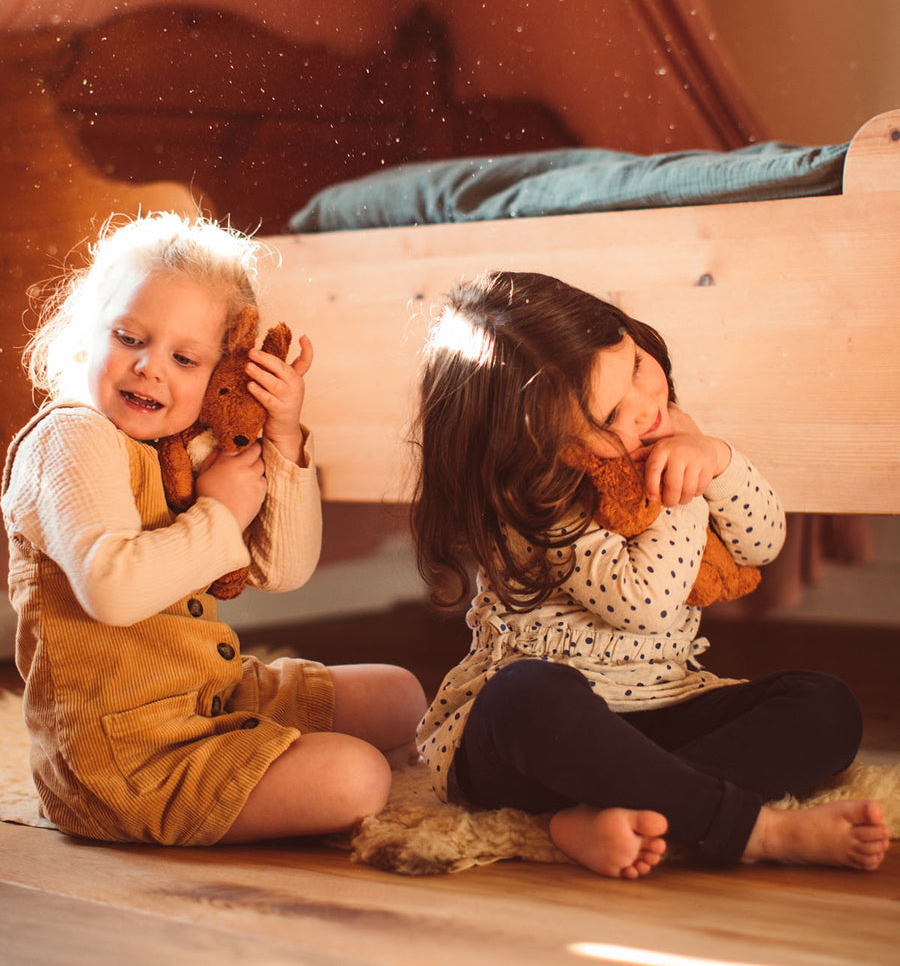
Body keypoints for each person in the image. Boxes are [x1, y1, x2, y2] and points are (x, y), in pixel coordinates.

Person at [412, 270, 890, 879]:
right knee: (526, 696)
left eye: (637, 364)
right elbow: (646, 601)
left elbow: (763, 543)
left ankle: (605, 811)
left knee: (827, 706)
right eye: (613, 411)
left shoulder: (670, 438)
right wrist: (682, 492)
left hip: (661, 705)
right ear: (535, 447)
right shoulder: (537, 502)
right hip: (535, 745)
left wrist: (715, 460)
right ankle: (749, 828)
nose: (648, 406)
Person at [2, 212, 425, 847]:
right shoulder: (71, 438)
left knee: (401, 695)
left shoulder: (186, 448)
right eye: (128, 337)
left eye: (184, 357)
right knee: (356, 776)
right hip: (124, 758)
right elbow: (111, 588)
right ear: (87, 332)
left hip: (211, 693)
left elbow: (282, 571)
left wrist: (281, 439)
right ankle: (284, 780)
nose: (150, 368)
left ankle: (272, 770)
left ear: (223, 371)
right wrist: (219, 513)